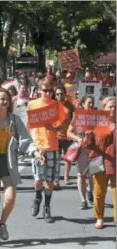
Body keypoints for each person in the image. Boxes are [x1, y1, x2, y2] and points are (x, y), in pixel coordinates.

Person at [0, 88, 44, 243]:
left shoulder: (14, 120)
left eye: (6, 99)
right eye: (0, 99)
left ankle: (2, 222)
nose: (3, 101)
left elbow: (25, 140)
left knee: (10, 198)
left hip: (8, 161)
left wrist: (35, 152)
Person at [27, 78, 67, 223]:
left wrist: (55, 128)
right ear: (39, 90)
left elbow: (64, 124)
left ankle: (47, 207)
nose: (47, 93)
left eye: (50, 91)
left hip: (53, 146)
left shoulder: (56, 105)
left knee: (50, 181)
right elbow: (28, 126)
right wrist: (28, 144)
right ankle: (37, 197)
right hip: (39, 146)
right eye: (44, 90)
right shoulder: (32, 104)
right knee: (38, 179)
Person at [86, 96, 116, 229]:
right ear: (104, 108)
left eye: (115, 106)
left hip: (115, 161)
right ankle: (99, 218)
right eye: (110, 106)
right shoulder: (96, 123)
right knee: (98, 193)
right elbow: (88, 144)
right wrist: (86, 138)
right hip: (98, 161)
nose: (113, 109)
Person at [67, 96, 95, 208]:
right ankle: (83, 200)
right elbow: (68, 132)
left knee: (92, 175)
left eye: (92, 103)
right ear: (83, 104)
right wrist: (78, 139)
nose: (91, 105)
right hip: (81, 149)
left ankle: (90, 191)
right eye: (89, 102)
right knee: (81, 175)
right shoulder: (77, 116)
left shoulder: (97, 116)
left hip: (94, 149)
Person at [53, 85, 75, 188]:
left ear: (65, 94)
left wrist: (73, 132)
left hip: (68, 136)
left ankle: (66, 177)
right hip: (56, 136)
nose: (59, 96)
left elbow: (75, 120)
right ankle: (56, 180)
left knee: (68, 159)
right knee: (56, 159)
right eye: (57, 94)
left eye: (61, 94)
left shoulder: (70, 106)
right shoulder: (52, 106)